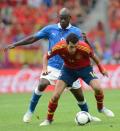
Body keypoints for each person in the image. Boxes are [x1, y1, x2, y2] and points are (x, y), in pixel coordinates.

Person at [4, 8, 94, 123]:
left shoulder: (76, 31)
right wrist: (16, 44)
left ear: (70, 18)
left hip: (70, 67)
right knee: (42, 84)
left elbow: (84, 48)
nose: (62, 21)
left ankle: (88, 116)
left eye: (64, 19)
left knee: (79, 96)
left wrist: (87, 58)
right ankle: (30, 111)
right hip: (53, 66)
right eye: (60, 18)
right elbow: (33, 38)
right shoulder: (50, 29)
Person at [40, 33, 114, 126]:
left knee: (98, 88)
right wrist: (45, 69)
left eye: (75, 46)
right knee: (55, 96)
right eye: (71, 47)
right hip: (68, 70)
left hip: (85, 69)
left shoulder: (83, 47)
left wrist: (101, 69)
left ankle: (101, 108)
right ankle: (49, 120)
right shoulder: (59, 46)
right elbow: (46, 56)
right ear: (66, 44)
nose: (73, 49)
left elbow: (94, 57)